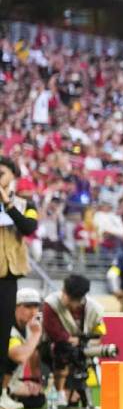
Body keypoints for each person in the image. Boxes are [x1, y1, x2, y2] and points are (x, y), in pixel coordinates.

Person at [41, 274, 107, 409]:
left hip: (82, 347)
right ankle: (59, 393)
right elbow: (55, 334)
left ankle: (77, 393)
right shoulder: (51, 304)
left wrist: (82, 342)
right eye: (64, 292)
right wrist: (76, 340)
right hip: (53, 347)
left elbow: (98, 335)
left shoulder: (94, 309)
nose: (64, 297)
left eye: (68, 295)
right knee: (62, 349)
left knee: (80, 354)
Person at [0, 157, 37, 371]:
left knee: (3, 334)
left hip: (7, 277)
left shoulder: (26, 204)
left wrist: (8, 204)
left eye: (1, 174)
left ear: (13, 176)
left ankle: (1, 392)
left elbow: (28, 227)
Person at [1, 287, 45, 409]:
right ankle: (4, 394)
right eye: (27, 307)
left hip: (12, 381)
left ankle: (8, 393)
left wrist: (33, 382)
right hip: (5, 374)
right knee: (11, 357)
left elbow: (33, 354)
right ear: (15, 307)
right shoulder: (8, 325)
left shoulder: (28, 327)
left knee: (38, 398)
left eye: (35, 307)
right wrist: (36, 334)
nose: (33, 312)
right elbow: (18, 356)